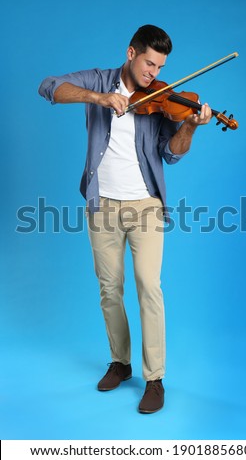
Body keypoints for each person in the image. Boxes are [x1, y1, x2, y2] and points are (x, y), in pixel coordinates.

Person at [39, 24, 212, 414]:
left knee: (149, 286)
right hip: (102, 204)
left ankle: (155, 378)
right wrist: (99, 99)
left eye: (160, 66)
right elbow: (49, 86)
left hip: (146, 205)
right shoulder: (98, 80)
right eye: (149, 63)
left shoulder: (163, 97)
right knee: (109, 288)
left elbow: (173, 152)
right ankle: (120, 362)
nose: (153, 73)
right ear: (131, 53)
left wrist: (188, 124)